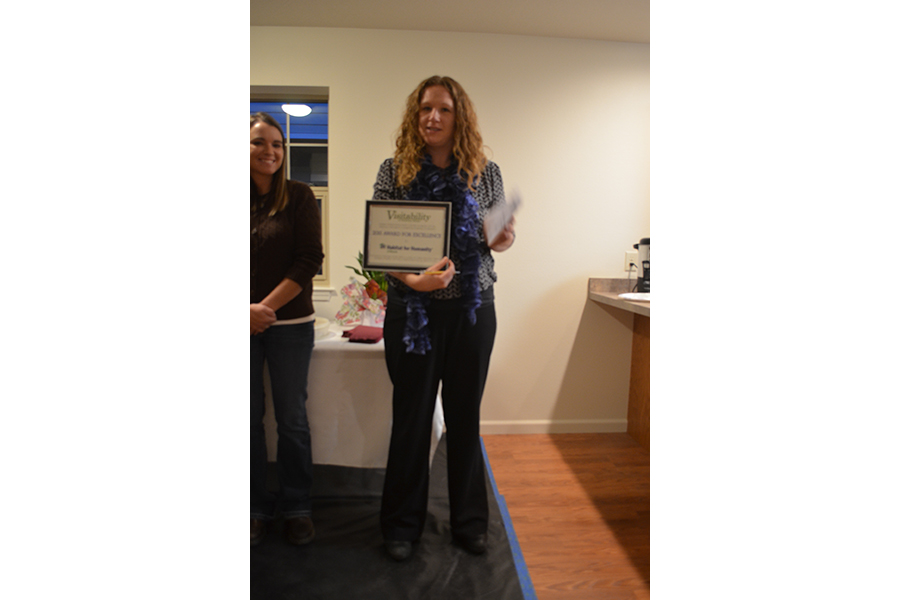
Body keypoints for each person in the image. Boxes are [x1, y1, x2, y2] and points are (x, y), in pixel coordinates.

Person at [372, 76, 516, 561]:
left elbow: (497, 241)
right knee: (411, 419)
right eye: (425, 109)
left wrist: (501, 236)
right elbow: (380, 242)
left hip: (472, 310)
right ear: (416, 116)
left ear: (460, 118)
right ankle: (400, 526)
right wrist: (412, 282)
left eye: (444, 109)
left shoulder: (486, 172)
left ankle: (470, 523)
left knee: (464, 418)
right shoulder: (394, 170)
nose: (433, 117)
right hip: (412, 311)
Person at [250, 112, 325, 547]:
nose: (270, 151)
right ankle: (255, 507)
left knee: (293, 419)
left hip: (292, 324)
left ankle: (297, 505)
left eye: (277, 144)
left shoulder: (299, 196)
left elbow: (308, 259)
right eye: (260, 142)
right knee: (246, 421)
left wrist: (261, 308)